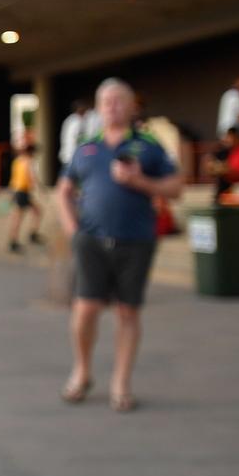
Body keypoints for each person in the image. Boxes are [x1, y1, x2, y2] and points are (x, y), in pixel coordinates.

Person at [56, 78, 181, 413]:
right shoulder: (87, 147)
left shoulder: (149, 146)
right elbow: (63, 191)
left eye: (119, 100)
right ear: (98, 108)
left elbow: (175, 187)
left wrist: (140, 180)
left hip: (136, 240)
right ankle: (82, 370)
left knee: (128, 311)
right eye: (106, 101)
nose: (112, 106)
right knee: (86, 308)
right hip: (91, 241)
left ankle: (120, 383)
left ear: (131, 106)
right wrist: (73, 230)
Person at [8, 144, 44, 252]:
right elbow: (32, 176)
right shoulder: (28, 161)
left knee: (36, 212)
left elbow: (14, 177)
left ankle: (31, 235)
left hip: (17, 191)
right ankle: (14, 242)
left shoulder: (17, 161)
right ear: (31, 153)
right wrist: (40, 188)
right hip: (23, 192)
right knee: (18, 218)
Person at [209, 127, 239, 201]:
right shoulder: (227, 151)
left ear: (237, 137)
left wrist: (224, 169)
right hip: (227, 190)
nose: (228, 140)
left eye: (230, 137)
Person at [59, 100, 91, 170]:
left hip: (68, 156)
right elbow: (79, 140)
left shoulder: (70, 119)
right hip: (72, 157)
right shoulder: (76, 121)